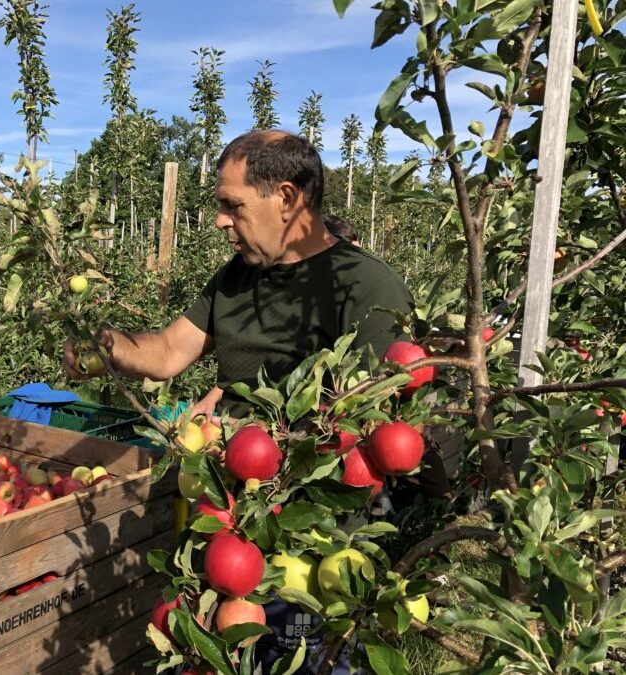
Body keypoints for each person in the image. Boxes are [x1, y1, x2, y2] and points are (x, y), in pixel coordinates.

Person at [61, 130, 421, 673]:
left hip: (309, 532)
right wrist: (108, 345)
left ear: (286, 197)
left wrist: (237, 430)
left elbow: (361, 426)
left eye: (232, 205)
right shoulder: (236, 276)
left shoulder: (365, 287)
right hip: (226, 518)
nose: (220, 221)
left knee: (301, 658)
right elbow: (167, 351)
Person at [192, 212, 362, 418]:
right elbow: (262, 364)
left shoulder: (354, 296)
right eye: (348, 255)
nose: (355, 263)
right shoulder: (299, 298)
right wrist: (215, 395)